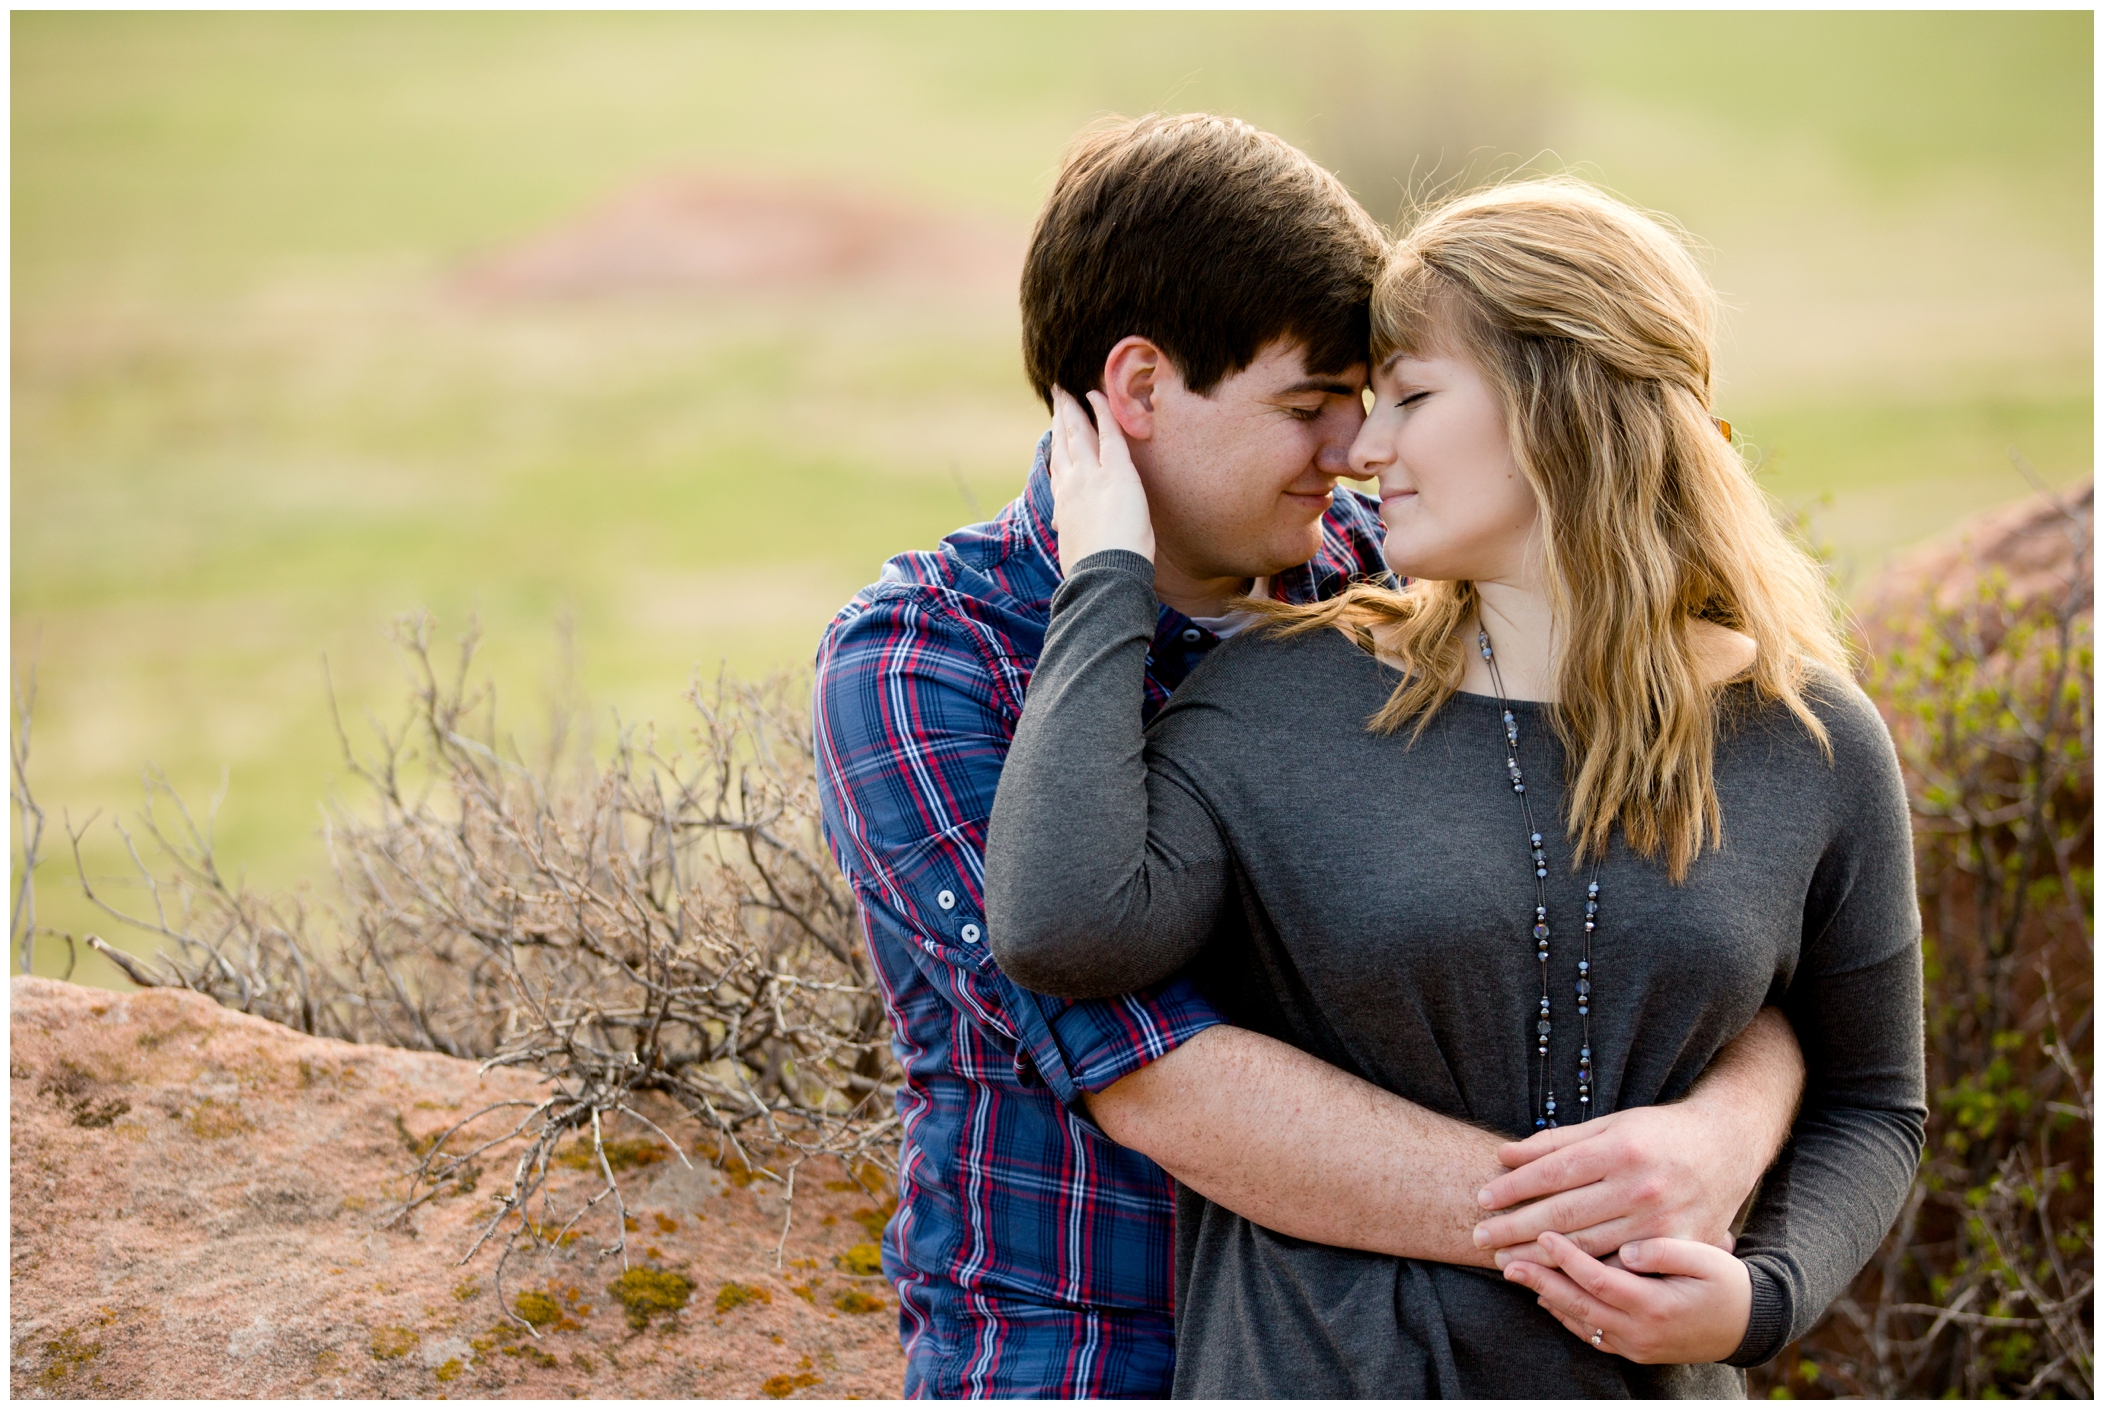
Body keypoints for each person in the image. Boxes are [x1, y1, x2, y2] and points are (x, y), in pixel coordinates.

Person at [814, 118, 1808, 1399]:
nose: (1352, 452)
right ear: (1138, 390)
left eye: (1371, 400)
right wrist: (1595, 1223)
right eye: (1305, 407)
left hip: (1393, 1352)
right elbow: (1155, 1078)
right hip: (1084, 1352)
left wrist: (1711, 1140)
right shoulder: (922, 664)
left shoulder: (1398, 578)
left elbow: (1707, 910)